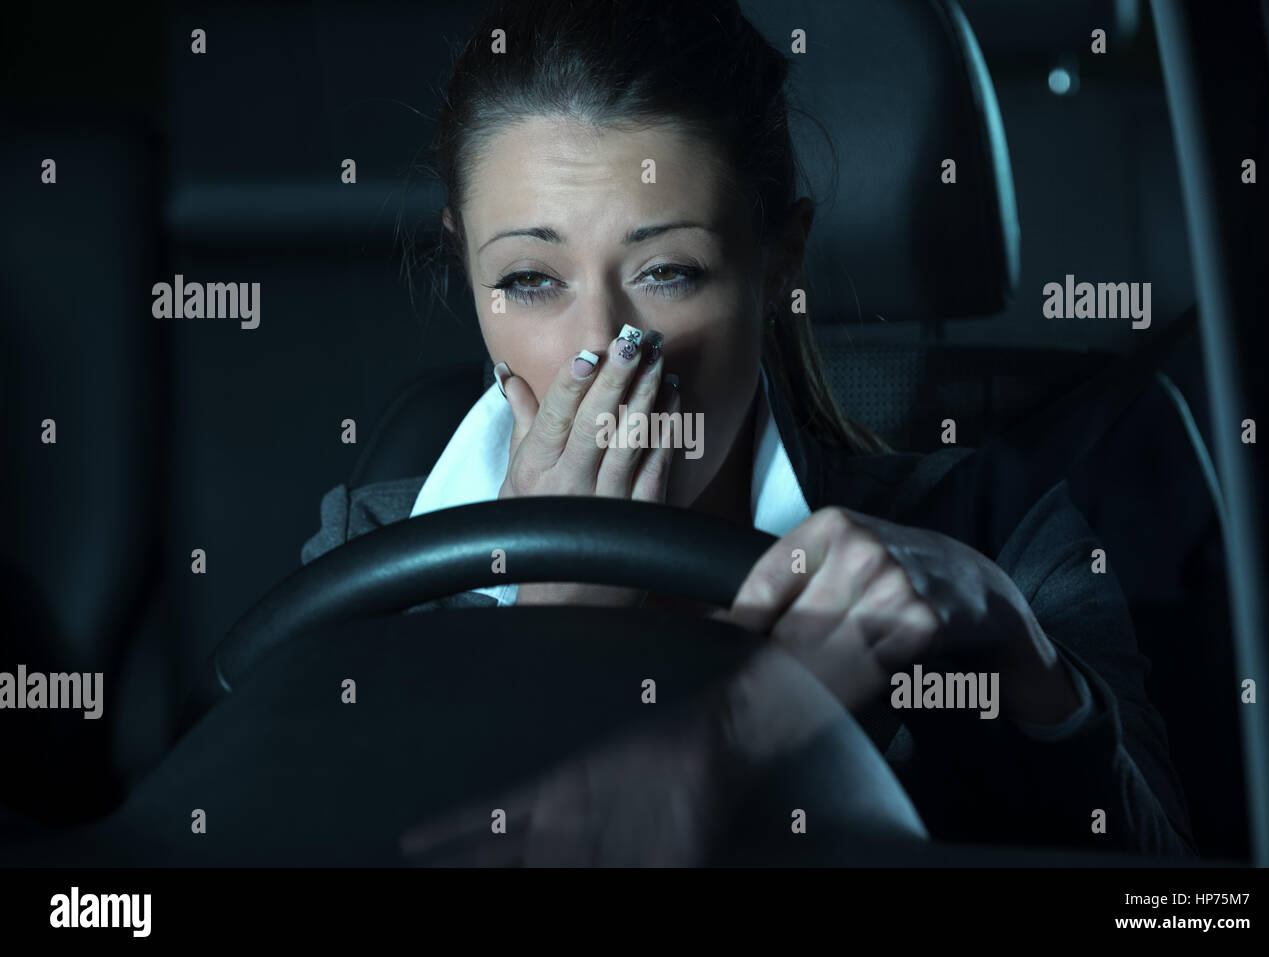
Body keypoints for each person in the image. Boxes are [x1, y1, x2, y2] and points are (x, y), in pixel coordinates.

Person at [302, 0, 1196, 862]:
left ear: (778, 264)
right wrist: (548, 649)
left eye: (668, 270)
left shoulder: (1000, 530)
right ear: (467, 272)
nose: (604, 350)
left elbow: (1180, 903)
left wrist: (1010, 640)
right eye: (532, 279)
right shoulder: (369, 568)